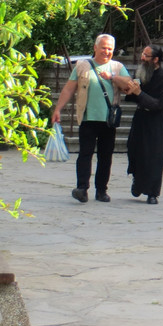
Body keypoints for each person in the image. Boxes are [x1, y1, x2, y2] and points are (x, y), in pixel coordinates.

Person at [52, 34, 130, 203]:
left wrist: (113, 78)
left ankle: (102, 190)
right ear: (95, 47)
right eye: (103, 47)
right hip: (88, 117)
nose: (107, 51)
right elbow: (68, 89)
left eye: (110, 49)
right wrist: (58, 109)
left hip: (108, 120)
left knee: (105, 156)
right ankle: (82, 189)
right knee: (85, 154)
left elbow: (130, 86)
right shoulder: (83, 66)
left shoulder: (117, 67)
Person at [123, 44, 163, 204]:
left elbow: (159, 104)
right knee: (135, 150)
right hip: (140, 118)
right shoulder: (141, 72)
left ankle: (153, 192)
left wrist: (139, 93)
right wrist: (129, 89)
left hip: (156, 121)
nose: (142, 58)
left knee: (154, 156)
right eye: (142, 54)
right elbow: (133, 96)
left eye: (146, 55)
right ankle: (137, 182)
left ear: (156, 59)